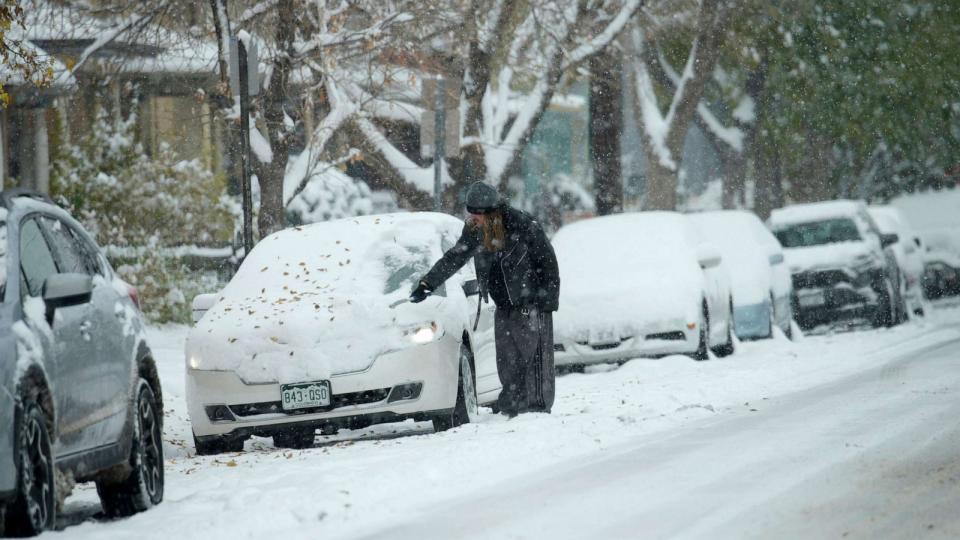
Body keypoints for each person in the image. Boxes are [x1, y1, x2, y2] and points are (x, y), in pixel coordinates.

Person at [410, 181, 560, 417]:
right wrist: (428, 283)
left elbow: (548, 262)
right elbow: (454, 257)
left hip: (531, 304)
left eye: (476, 216)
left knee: (535, 360)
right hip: (503, 305)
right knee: (508, 360)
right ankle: (512, 405)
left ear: (491, 214)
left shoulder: (523, 226)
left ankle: (537, 408)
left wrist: (546, 301)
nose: (472, 220)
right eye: (470, 215)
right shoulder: (475, 230)